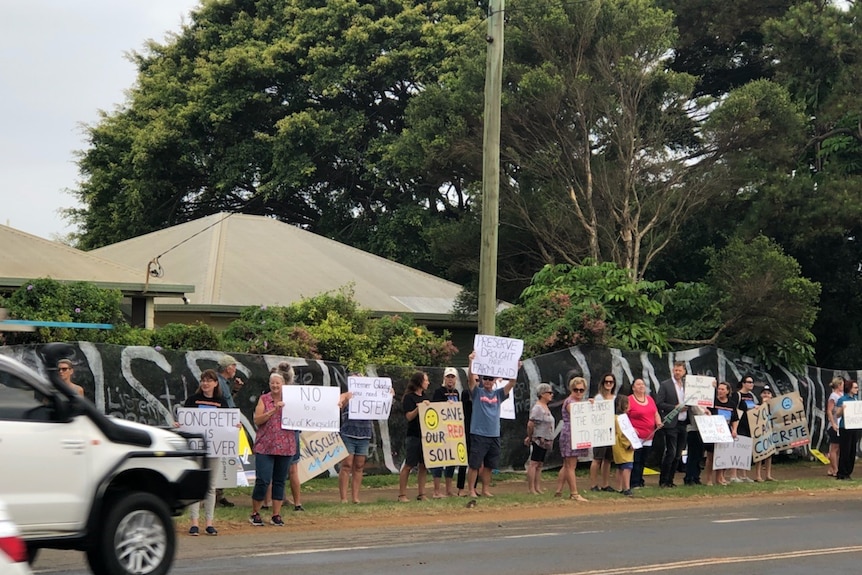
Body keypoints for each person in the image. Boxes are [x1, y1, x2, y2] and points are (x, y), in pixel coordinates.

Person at [179, 369, 229, 536]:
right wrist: (180, 424)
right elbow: (185, 422)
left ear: (216, 383)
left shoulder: (222, 402)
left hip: (214, 448)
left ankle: (209, 522)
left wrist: (234, 426)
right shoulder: (192, 401)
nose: (205, 383)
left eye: (209, 380)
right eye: (203, 380)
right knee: (195, 485)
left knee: (211, 486)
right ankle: (194, 523)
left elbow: (227, 424)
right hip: (196, 449)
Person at [466, 352, 517, 500]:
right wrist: (471, 362)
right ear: (482, 380)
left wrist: (515, 368)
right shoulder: (477, 392)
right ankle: (471, 490)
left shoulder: (499, 394)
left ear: (494, 380)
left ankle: (485, 489)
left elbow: (512, 383)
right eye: (485, 378)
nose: (488, 381)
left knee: (489, 465)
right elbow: (470, 379)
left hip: (494, 434)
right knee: (475, 464)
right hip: (479, 433)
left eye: (490, 379)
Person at [249, 372, 297, 526]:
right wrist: (273, 411)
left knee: (279, 481)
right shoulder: (264, 399)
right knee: (263, 480)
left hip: (286, 446)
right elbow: (257, 420)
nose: (275, 386)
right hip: (265, 445)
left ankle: (276, 514)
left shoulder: (292, 400)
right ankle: (255, 512)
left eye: (278, 383)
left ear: (283, 384)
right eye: (273, 383)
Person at [338, 375, 394, 504]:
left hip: (364, 434)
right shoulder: (348, 395)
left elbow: (383, 403)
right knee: (346, 464)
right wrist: (343, 400)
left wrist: (388, 395)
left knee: (359, 465)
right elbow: (340, 400)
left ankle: (355, 497)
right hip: (348, 433)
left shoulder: (370, 395)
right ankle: (343, 498)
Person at [553, 376, 590, 501]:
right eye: (576, 390)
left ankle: (558, 490)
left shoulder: (579, 402)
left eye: (581, 390)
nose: (579, 392)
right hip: (570, 433)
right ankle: (574, 493)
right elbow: (576, 415)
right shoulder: (570, 402)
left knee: (567, 464)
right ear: (571, 389)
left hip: (577, 433)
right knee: (570, 466)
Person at [216, 354, 244, 507]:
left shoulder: (224, 383)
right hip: (222, 426)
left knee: (223, 459)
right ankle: (216, 495)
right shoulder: (219, 383)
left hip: (226, 425)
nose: (235, 369)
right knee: (220, 459)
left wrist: (235, 390)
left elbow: (227, 402)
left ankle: (219, 495)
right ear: (228, 368)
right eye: (234, 366)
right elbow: (222, 405)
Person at [654, 361, 689, 488]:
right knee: (671, 452)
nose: (677, 373)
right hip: (671, 423)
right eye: (675, 370)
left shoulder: (687, 385)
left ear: (684, 371)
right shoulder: (665, 385)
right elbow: (659, 402)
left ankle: (671, 480)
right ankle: (663, 480)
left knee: (679, 453)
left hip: (683, 422)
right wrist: (674, 407)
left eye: (679, 370)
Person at [398, 371, 430, 502]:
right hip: (414, 435)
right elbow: (409, 417)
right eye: (426, 380)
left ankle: (421, 493)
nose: (428, 383)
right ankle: (402, 495)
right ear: (419, 382)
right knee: (409, 464)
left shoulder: (425, 396)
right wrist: (418, 408)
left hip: (426, 435)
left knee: (424, 465)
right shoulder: (409, 398)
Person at [430, 367, 462, 498]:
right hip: (441, 431)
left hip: (453, 432)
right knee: (439, 461)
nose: (450, 379)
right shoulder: (439, 392)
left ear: (455, 379)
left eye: (452, 377)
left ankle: (449, 489)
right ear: (444, 378)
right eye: (448, 377)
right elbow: (435, 408)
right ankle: (436, 491)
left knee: (451, 460)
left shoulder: (456, 393)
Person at [627, 378, 662, 488]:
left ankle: (640, 481)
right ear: (633, 387)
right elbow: (624, 416)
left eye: (642, 384)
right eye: (638, 384)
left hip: (649, 436)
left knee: (643, 459)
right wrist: (631, 429)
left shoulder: (650, 399)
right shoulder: (629, 400)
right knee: (636, 459)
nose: (641, 386)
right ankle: (634, 482)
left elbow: (655, 413)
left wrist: (659, 422)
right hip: (636, 436)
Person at [704, 381, 738, 486]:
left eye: (723, 389)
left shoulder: (731, 404)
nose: (720, 391)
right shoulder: (713, 402)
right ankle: (709, 479)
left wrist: (734, 430)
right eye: (719, 389)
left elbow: (735, 419)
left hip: (725, 433)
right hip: (713, 433)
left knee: (722, 457)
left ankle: (719, 478)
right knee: (710, 457)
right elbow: (705, 410)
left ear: (728, 391)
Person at [525, 383, 555, 495]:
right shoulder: (538, 408)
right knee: (534, 463)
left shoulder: (545, 407)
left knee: (540, 464)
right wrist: (530, 436)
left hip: (546, 439)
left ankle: (537, 487)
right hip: (539, 439)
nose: (552, 395)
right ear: (542, 394)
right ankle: (531, 488)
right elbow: (530, 424)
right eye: (549, 393)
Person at [589, 373, 616, 492]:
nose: (609, 384)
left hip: (611, 431)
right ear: (603, 383)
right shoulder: (599, 398)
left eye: (611, 382)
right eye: (606, 382)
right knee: (597, 458)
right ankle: (593, 484)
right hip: (600, 431)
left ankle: (605, 484)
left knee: (608, 459)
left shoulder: (615, 398)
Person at [727, 377, 757, 483]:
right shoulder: (737, 395)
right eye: (749, 382)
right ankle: (733, 475)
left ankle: (744, 475)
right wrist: (732, 427)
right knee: (736, 450)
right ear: (743, 383)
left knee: (745, 450)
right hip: (739, 426)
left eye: (752, 382)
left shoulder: (750, 396)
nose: (751, 384)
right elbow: (733, 409)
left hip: (748, 426)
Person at [834, 379, 859, 481]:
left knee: (852, 450)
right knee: (845, 450)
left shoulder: (856, 399)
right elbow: (837, 414)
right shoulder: (842, 399)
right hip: (845, 427)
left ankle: (848, 472)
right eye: (855, 387)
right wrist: (842, 409)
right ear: (849, 388)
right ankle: (842, 473)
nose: (857, 389)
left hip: (855, 426)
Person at [753, 384, 776, 482]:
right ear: (761, 395)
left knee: (769, 453)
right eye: (764, 393)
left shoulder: (774, 406)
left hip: (770, 430)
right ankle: (758, 475)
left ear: (771, 395)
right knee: (759, 453)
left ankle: (768, 475)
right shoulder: (757, 405)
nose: (766, 395)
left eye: (768, 393)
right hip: (760, 432)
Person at [613, 395, 634, 496]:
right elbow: (623, 433)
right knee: (627, 467)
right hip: (623, 446)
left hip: (617, 445)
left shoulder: (615, 417)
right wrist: (628, 444)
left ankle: (618, 487)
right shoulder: (621, 418)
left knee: (620, 467)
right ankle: (627, 488)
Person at [826, 377, 844, 477]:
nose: (843, 386)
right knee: (834, 448)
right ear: (838, 385)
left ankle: (831, 468)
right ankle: (835, 469)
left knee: (839, 447)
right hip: (834, 424)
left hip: (841, 424)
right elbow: (829, 410)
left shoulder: (841, 395)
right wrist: (833, 423)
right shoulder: (833, 396)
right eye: (842, 384)